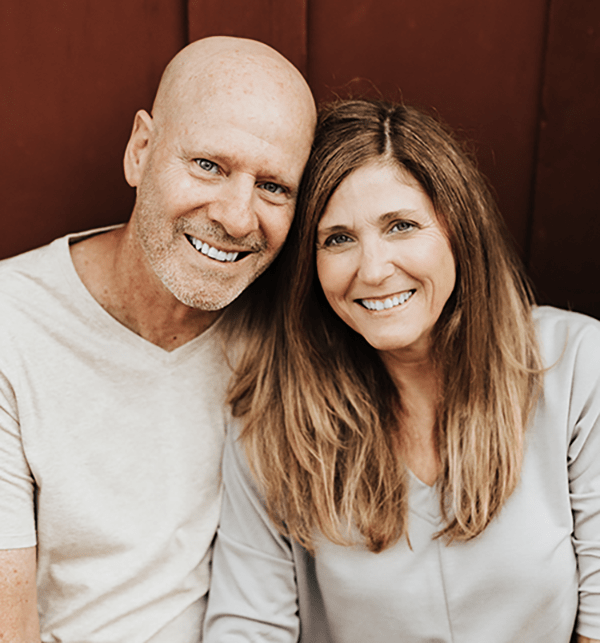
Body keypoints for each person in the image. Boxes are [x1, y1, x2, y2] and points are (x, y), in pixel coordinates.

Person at [203, 99, 600, 642]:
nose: (373, 269)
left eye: (401, 226)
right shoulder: (274, 420)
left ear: (460, 230)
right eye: (338, 238)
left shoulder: (576, 365)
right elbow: (249, 626)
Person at [0, 36, 316, 642]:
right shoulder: (11, 329)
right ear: (141, 151)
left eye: (274, 186)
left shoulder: (292, 332)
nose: (237, 217)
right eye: (208, 166)